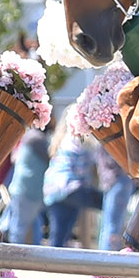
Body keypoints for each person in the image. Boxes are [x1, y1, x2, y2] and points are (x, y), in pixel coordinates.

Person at [42, 105, 101, 248]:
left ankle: (52, 259)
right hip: (71, 188)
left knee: (59, 234)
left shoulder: (59, 140)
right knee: (106, 201)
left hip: (53, 190)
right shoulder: (77, 140)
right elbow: (87, 165)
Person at [3, 126, 51, 245]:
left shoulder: (28, 137)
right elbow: (51, 156)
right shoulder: (38, 139)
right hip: (29, 191)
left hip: (21, 189)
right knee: (19, 228)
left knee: (21, 225)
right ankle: (15, 254)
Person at [95, 148, 134, 252]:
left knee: (109, 225)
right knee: (112, 226)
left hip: (111, 181)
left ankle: (105, 255)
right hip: (118, 179)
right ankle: (108, 256)